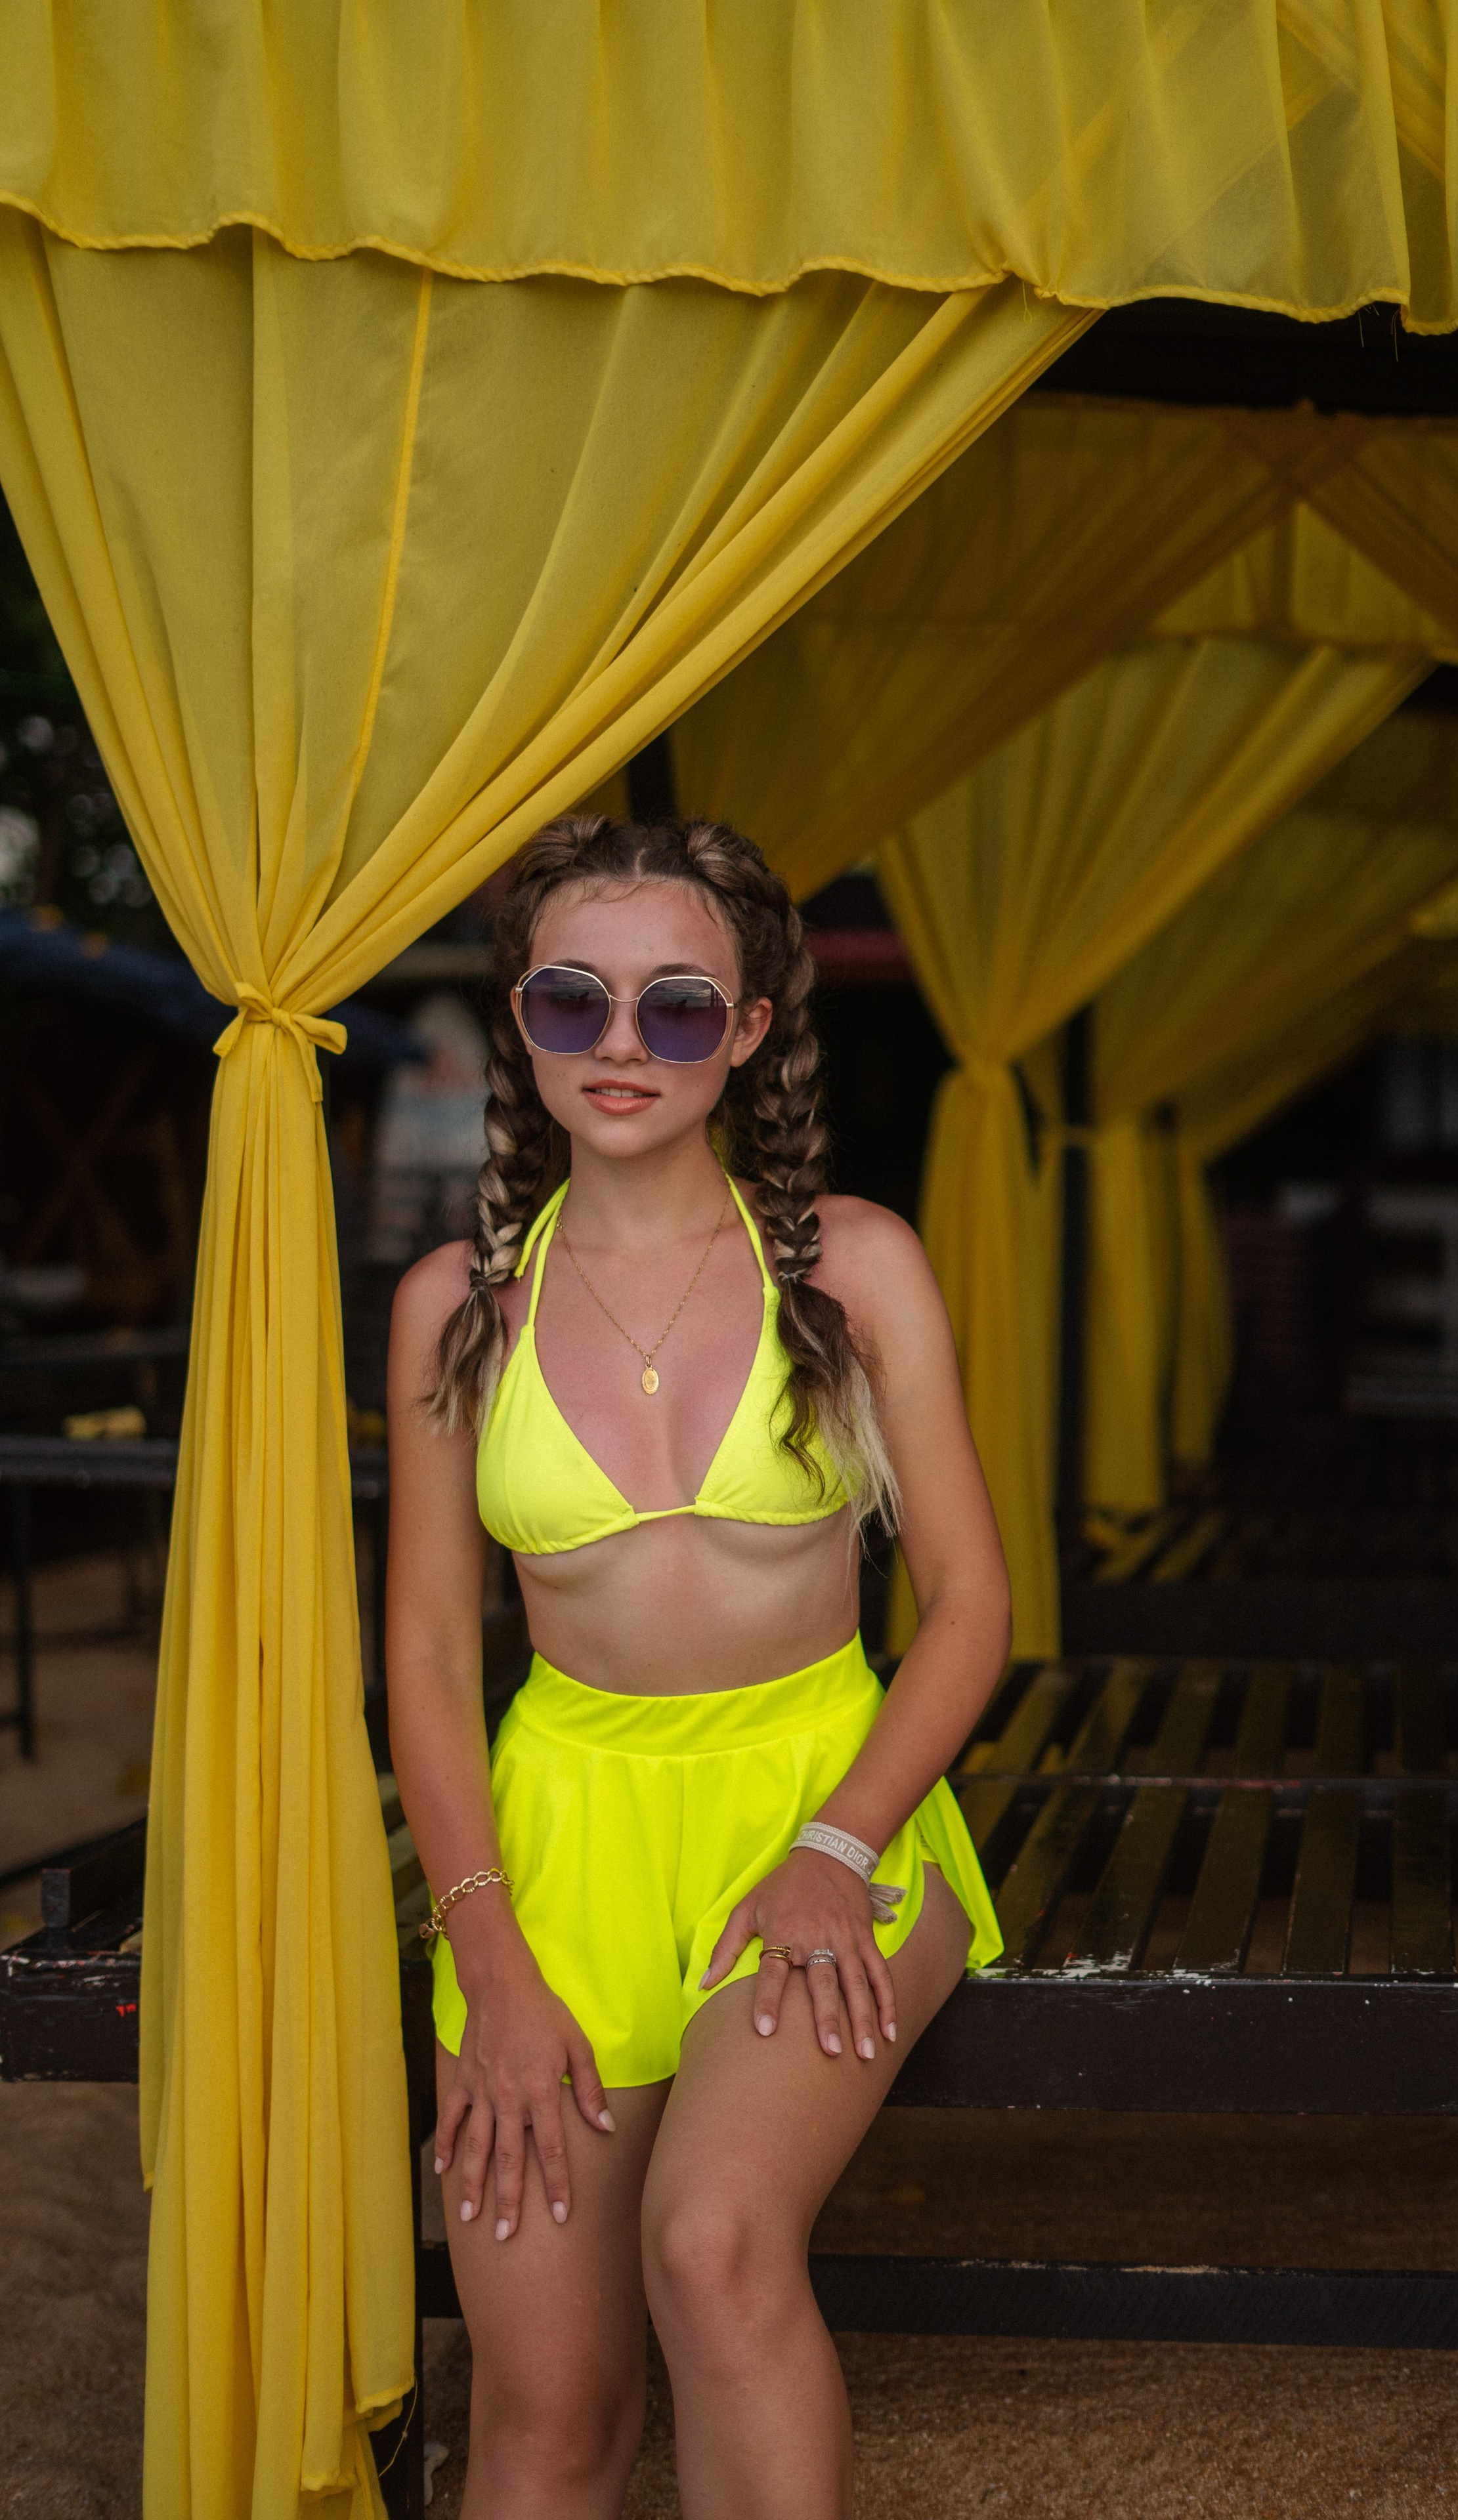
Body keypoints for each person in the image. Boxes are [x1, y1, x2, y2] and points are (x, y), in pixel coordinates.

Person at [385, 813, 1009, 2519]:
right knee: (546, 2414)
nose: (619, 1043)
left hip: (823, 1804)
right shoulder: (457, 1306)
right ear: (521, 1019)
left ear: (745, 1033)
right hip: (558, 1843)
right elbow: (428, 1658)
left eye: (674, 1007)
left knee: (712, 2244)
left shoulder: (853, 1270)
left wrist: (839, 1847)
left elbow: (970, 1604)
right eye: (571, 999)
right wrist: (490, 1956)